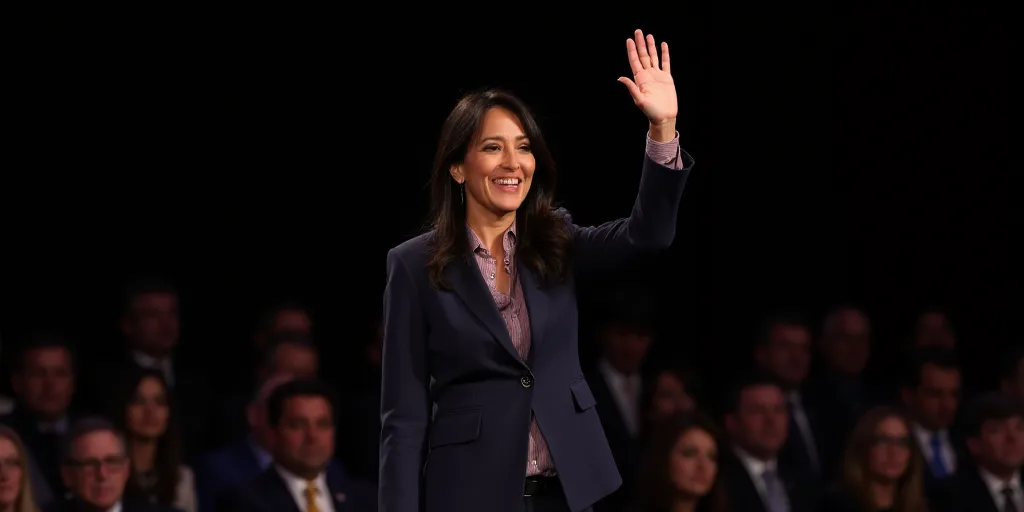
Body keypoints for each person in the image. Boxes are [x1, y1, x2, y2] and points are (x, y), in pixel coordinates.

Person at [380, 29, 693, 512]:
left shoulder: (555, 240)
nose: (513, 163)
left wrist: (663, 129)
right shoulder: (412, 265)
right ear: (458, 167)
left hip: (566, 494)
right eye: (492, 148)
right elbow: (403, 419)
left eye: (523, 147)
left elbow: (647, 236)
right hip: (469, 496)